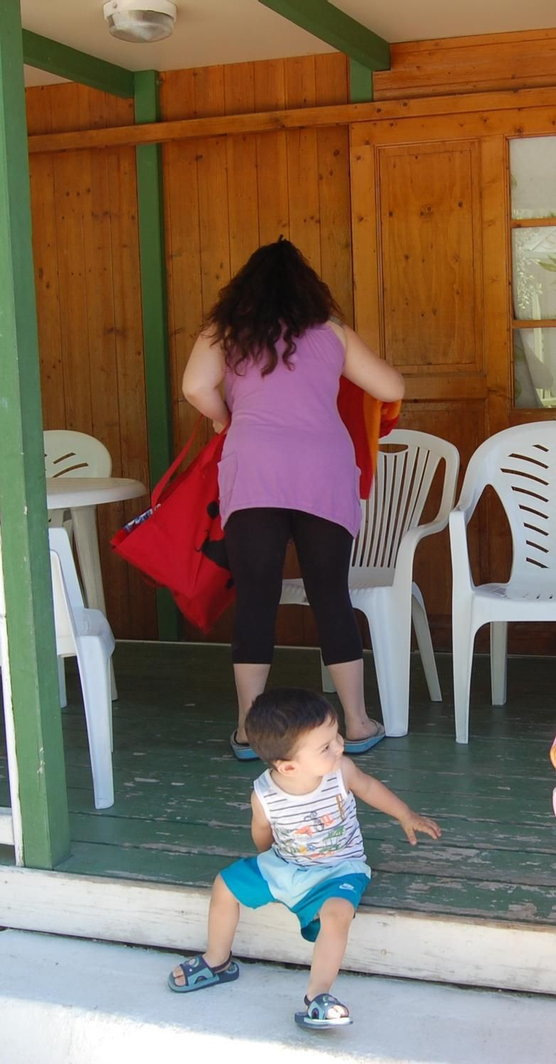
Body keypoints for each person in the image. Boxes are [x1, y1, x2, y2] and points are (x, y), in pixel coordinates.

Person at [182, 239, 405, 760]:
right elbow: (391, 385)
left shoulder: (228, 330)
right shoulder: (330, 331)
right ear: (308, 286)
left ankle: (246, 730)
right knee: (331, 595)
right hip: (322, 472)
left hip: (254, 470)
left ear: (245, 288)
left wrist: (226, 414)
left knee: (256, 599)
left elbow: (195, 385)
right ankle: (356, 721)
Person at [165, 687, 441, 1029]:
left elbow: (369, 788)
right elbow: (261, 832)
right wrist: (267, 865)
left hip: (342, 867)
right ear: (288, 766)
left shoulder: (341, 771)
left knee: (337, 913)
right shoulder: (264, 793)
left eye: (336, 735)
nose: (339, 746)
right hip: (286, 863)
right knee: (224, 885)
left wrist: (405, 814)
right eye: (326, 747)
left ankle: (318, 995)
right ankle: (217, 960)